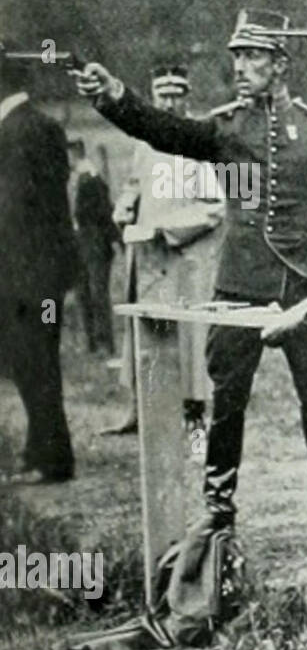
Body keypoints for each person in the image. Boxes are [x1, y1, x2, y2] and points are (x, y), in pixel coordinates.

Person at [73, 9, 307, 531]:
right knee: (228, 398)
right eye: (237, 56)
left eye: (253, 55)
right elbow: (161, 129)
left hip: (303, 287)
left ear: (280, 64)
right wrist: (113, 96)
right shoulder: (224, 129)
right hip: (238, 284)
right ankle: (218, 506)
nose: (240, 66)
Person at [104, 65, 225, 436]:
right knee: (145, 333)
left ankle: (195, 428)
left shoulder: (200, 141)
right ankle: (140, 414)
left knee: (190, 343)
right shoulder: (144, 143)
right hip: (149, 258)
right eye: (162, 94)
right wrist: (125, 206)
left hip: (187, 259)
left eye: (176, 94)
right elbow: (135, 184)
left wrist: (169, 230)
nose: (169, 102)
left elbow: (218, 207)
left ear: (187, 96)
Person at [0, 44, 78, 484]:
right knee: (30, 361)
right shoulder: (27, 127)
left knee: (37, 361)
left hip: (32, 279)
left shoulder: (24, 130)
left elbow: (23, 211)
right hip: (32, 276)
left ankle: (53, 457)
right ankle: (40, 449)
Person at [68, 137, 119, 355]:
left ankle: (104, 344)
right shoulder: (73, 179)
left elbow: (103, 214)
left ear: (75, 153)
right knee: (83, 293)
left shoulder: (92, 178)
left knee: (98, 293)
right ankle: (89, 342)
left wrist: (111, 240)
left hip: (95, 241)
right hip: (78, 240)